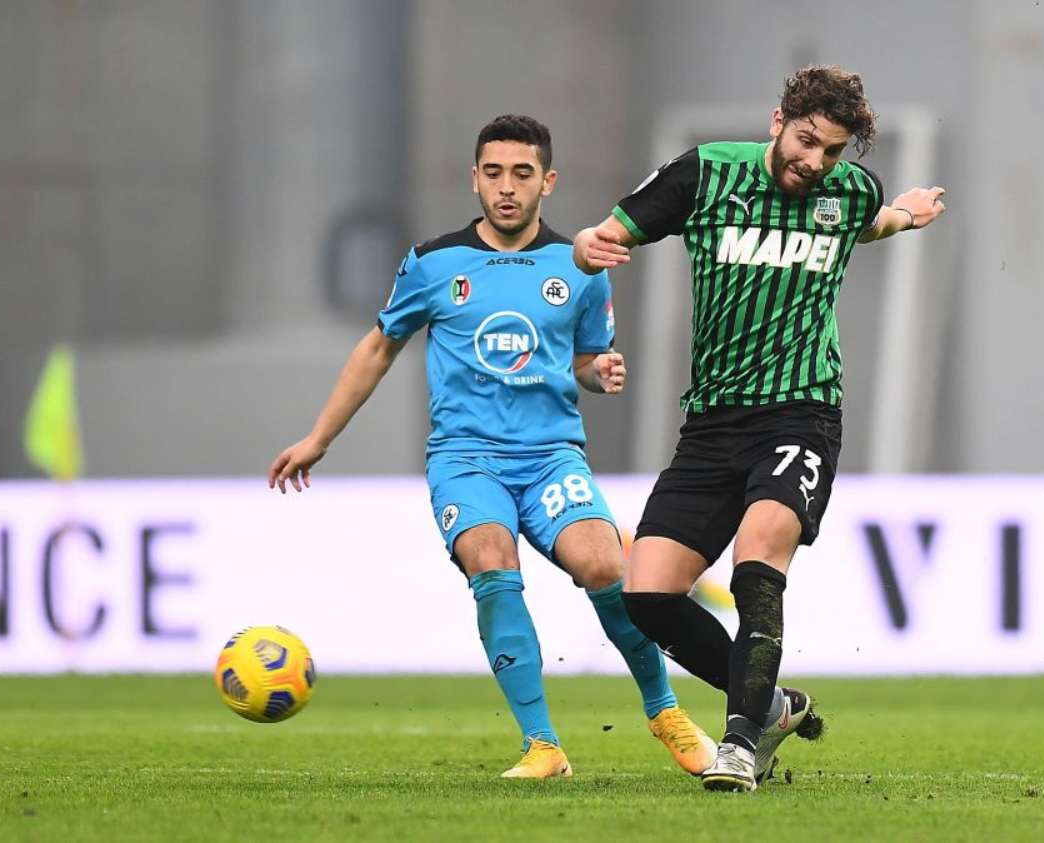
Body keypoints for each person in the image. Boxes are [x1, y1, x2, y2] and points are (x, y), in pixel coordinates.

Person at [269, 115, 714, 780]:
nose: (507, 187)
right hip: (466, 458)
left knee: (604, 563)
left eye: (522, 173)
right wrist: (319, 437)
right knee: (490, 558)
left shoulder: (581, 265)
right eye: (495, 173)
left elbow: (586, 359)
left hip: (551, 456)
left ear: (547, 182)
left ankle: (665, 711)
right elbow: (378, 347)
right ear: (474, 179)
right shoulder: (433, 264)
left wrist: (599, 371)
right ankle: (543, 745)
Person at [573, 65, 947, 791]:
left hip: (802, 412)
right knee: (647, 594)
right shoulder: (706, 173)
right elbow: (606, 233)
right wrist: (589, 245)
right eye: (806, 141)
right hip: (711, 423)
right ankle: (771, 707)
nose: (815, 162)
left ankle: (740, 743)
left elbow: (868, 223)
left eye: (831, 150)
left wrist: (904, 214)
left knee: (759, 557)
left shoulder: (849, 191)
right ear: (778, 122)